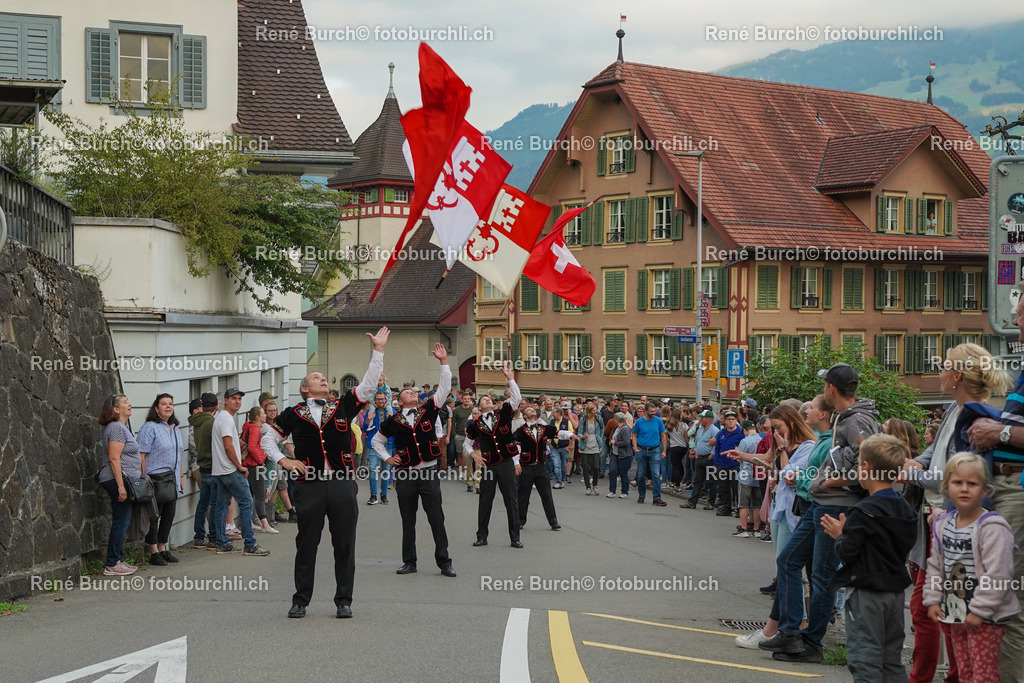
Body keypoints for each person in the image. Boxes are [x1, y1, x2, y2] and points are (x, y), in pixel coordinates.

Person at [903, 342, 1011, 682]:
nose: (939, 371)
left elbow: (956, 477)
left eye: (944, 366)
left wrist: (913, 474)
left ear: (957, 375)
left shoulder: (976, 416)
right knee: (933, 610)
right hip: (937, 523)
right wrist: (915, 463)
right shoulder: (953, 408)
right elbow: (934, 453)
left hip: (953, 526)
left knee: (939, 610)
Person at [761, 364, 880, 663]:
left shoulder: (856, 420)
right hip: (822, 502)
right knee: (789, 560)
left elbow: (874, 459)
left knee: (822, 574)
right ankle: (791, 633)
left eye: (824, 384)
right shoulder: (846, 418)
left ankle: (811, 643)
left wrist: (841, 480)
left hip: (837, 504)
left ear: (831, 389)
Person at [270, 326, 390, 618]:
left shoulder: (342, 407)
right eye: (316, 377)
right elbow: (267, 438)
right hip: (309, 485)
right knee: (306, 543)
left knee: (344, 543)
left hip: (342, 484)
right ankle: (300, 600)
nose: (322, 379)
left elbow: (369, 385)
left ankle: (344, 600)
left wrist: (378, 351)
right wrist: (282, 460)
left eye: (324, 378)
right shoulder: (293, 413)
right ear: (305, 388)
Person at [820, 434, 918, 681]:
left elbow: (847, 552)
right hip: (894, 592)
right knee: (891, 660)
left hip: (866, 592)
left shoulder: (863, 511)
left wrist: (840, 535)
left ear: (865, 468)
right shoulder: (904, 508)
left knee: (865, 660)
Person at [923, 452, 1022, 683]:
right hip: (956, 613)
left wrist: (980, 610)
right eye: (958, 483)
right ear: (946, 487)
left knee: (984, 675)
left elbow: (999, 574)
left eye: (972, 484)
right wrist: (933, 599)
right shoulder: (943, 525)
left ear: (985, 490)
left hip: (986, 618)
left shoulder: (993, 527)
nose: (965, 489)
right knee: (965, 672)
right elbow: (936, 566)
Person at [373, 343, 455, 578]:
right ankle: (409, 561)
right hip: (406, 474)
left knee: (436, 518)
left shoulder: (428, 410)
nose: (413, 393)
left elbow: (445, 388)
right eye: (408, 393)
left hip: (428, 472)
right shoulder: (393, 420)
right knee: (408, 520)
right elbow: (376, 442)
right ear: (399, 401)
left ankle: (444, 561)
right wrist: (388, 458)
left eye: (414, 393)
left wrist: (443, 362)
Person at [466, 363, 524, 548]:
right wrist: (473, 455)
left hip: (506, 462)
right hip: (489, 465)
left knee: (511, 500)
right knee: (485, 500)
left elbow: (517, 398)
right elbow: (466, 443)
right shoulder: (475, 424)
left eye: (488, 399)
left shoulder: (503, 413)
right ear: (479, 406)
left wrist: (510, 378)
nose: (487, 400)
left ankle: (515, 537)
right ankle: (482, 536)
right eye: (483, 400)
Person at [210, 388, 270, 558]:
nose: (237, 401)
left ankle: (221, 542)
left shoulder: (223, 418)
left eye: (239, 399)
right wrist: (240, 466)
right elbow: (228, 446)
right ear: (226, 400)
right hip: (230, 469)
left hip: (221, 470)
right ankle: (250, 544)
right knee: (246, 502)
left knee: (221, 506)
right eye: (233, 398)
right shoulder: (226, 419)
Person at [137, 393, 186, 566]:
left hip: (171, 478)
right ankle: (153, 551)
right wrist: (143, 478)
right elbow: (141, 454)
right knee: (153, 515)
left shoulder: (175, 428)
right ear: (156, 409)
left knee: (169, 514)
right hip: (154, 478)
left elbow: (178, 455)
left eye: (170, 404)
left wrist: (180, 476)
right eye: (163, 404)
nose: (168, 406)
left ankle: (163, 547)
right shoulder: (149, 428)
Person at [96, 394, 140, 576]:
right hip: (116, 480)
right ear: (115, 409)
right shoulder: (115, 428)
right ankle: (112, 563)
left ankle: (118, 560)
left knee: (123, 520)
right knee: (121, 520)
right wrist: (121, 486)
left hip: (123, 480)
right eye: (124, 402)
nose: (129, 404)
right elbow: (114, 458)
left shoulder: (121, 428)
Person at [514, 406, 571, 530]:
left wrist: (570, 435)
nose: (532, 410)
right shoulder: (520, 431)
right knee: (523, 495)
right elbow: (516, 449)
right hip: (526, 466)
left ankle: (553, 521)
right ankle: (520, 520)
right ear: (524, 416)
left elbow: (558, 433)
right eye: (528, 410)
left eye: (533, 409)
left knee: (546, 495)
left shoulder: (543, 428)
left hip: (541, 466)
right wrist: (516, 463)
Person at [189, 393, 220, 549]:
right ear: (216, 406)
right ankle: (213, 537)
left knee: (203, 503)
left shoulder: (197, 423)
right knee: (215, 503)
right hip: (213, 467)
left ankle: (199, 537)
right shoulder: (212, 423)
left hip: (202, 466)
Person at [242, 406, 278, 534]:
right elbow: (252, 447)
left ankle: (251, 522)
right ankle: (264, 524)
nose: (265, 415)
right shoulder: (255, 429)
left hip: (248, 465)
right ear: (257, 417)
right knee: (260, 495)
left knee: (251, 495)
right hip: (254, 466)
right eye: (263, 413)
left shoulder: (248, 427)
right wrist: (261, 460)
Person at [360, 390, 394, 505]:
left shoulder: (391, 411)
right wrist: (368, 419)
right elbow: (364, 429)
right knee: (373, 470)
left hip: (387, 444)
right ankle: (373, 495)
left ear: (386, 400)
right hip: (372, 445)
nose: (380, 401)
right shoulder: (370, 411)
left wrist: (391, 419)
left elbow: (397, 428)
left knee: (385, 471)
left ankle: (384, 495)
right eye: (378, 399)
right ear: (375, 401)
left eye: (382, 399)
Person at [632, 402, 668, 506]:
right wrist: (635, 448)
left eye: (654, 411)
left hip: (655, 450)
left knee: (656, 475)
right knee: (640, 475)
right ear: (646, 411)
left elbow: (663, 436)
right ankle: (641, 495)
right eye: (651, 411)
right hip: (642, 450)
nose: (654, 413)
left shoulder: (659, 421)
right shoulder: (639, 422)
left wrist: (664, 450)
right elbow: (634, 435)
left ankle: (656, 498)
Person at [710, 409, 744, 516]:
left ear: (736, 421)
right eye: (728, 419)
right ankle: (727, 508)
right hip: (722, 465)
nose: (731, 421)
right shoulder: (721, 433)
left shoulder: (740, 434)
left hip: (734, 465)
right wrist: (717, 464)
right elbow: (717, 449)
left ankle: (739, 509)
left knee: (736, 488)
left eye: (733, 419)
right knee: (724, 488)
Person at [684, 410, 719, 509]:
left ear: (707, 419)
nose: (700, 420)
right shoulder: (700, 429)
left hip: (709, 459)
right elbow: (697, 441)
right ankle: (692, 502)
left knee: (712, 482)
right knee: (697, 481)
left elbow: (716, 445)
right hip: (699, 458)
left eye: (701, 418)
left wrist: (711, 456)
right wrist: (695, 452)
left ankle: (711, 503)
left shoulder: (715, 430)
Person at [576, 403, 605, 495]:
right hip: (585, 444)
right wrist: (583, 436)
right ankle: (588, 486)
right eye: (593, 410)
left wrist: (600, 437)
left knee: (596, 466)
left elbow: (602, 428)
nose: (595, 411)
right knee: (585, 466)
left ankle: (595, 485)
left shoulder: (598, 418)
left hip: (595, 442)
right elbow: (579, 432)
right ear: (589, 410)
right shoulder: (583, 419)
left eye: (595, 410)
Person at [607, 411, 634, 498]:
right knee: (612, 471)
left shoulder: (625, 429)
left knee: (623, 473)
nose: (614, 420)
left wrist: (615, 443)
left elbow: (626, 442)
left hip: (624, 455)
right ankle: (612, 490)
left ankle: (624, 492)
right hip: (615, 453)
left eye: (615, 419)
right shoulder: (616, 428)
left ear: (617, 419)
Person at [452, 390, 475, 490]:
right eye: (465, 399)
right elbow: (453, 422)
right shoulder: (457, 410)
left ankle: (472, 472)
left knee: (471, 454)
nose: (466, 401)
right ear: (461, 399)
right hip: (459, 434)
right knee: (460, 454)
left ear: (470, 400)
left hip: (471, 435)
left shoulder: (474, 409)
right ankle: (462, 472)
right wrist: (453, 434)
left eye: (468, 399)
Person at [666, 408, 688, 492]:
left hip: (674, 446)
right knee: (679, 465)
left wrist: (670, 440)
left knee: (676, 466)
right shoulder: (684, 425)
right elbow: (686, 437)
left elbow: (665, 436)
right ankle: (674, 481)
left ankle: (677, 485)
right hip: (683, 447)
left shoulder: (669, 425)